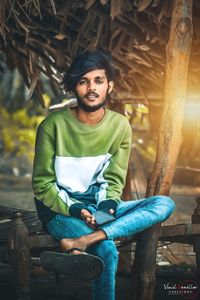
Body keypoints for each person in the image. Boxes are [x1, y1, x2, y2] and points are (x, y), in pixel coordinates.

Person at [32, 49, 175, 300]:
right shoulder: (52, 126)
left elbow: (114, 180)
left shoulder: (120, 125)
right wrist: (78, 210)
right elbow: (42, 185)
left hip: (99, 211)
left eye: (98, 80)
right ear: (74, 87)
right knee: (108, 251)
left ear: (110, 85)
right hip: (60, 211)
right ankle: (84, 245)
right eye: (83, 81)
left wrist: (106, 211)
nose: (91, 88)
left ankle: (81, 244)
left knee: (164, 203)